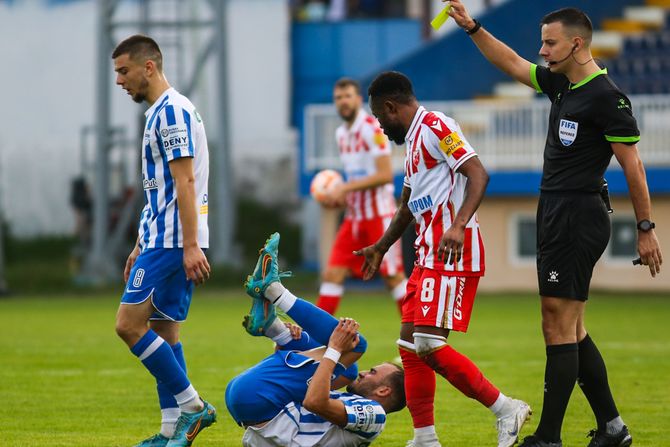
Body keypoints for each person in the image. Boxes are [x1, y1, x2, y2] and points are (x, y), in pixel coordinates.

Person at [446, 2, 664, 446]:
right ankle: (613, 428)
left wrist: (645, 229)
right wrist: (473, 28)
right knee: (572, 328)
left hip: (576, 216)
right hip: (557, 212)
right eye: (543, 42)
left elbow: (634, 167)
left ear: (577, 43)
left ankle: (548, 437)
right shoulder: (563, 85)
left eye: (550, 42)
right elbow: (511, 62)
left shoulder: (606, 97)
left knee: (556, 325)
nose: (542, 50)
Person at [356, 71, 531, 447]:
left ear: (390, 107)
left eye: (378, 118)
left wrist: (459, 225)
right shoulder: (413, 145)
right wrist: (381, 246)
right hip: (426, 256)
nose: (380, 127)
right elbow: (407, 205)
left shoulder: (436, 126)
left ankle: (505, 408)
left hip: (452, 253)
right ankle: (425, 437)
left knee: (429, 344)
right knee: (409, 346)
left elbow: (478, 174)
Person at [112, 35, 215, 447]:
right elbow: (160, 190)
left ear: (148, 67)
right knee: (164, 332)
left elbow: (185, 181)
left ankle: (192, 406)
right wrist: (139, 241)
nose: (119, 80)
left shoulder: (172, 113)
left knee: (128, 326)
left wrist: (190, 245)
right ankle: (172, 431)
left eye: (124, 71)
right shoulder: (161, 112)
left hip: (172, 242)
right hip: (160, 238)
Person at [226, 232, 406, 446]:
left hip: (259, 403)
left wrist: (334, 349)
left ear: (383, 391)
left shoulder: (375, 415)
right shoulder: (355, 405)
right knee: (349, 370)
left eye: (374, 372)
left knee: (356, 345)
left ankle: (273, 290)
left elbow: (313, 402)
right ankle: (274, 328)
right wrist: (289, 345)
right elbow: (301, 391)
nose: (368, 372)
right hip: (255, 404)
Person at [317, 78, 407, 316]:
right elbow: (356, 177)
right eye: (338, 98)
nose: (343, 102)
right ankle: (314, 340)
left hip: (379, 214)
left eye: (347, 96)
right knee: (332, 274)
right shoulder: (341, 134)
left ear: (358, 99)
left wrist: (344, 188)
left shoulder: (372, 128)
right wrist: (339, 198)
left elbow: (385, 175)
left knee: (393, 277)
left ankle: (418, 340)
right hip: (354, 217)